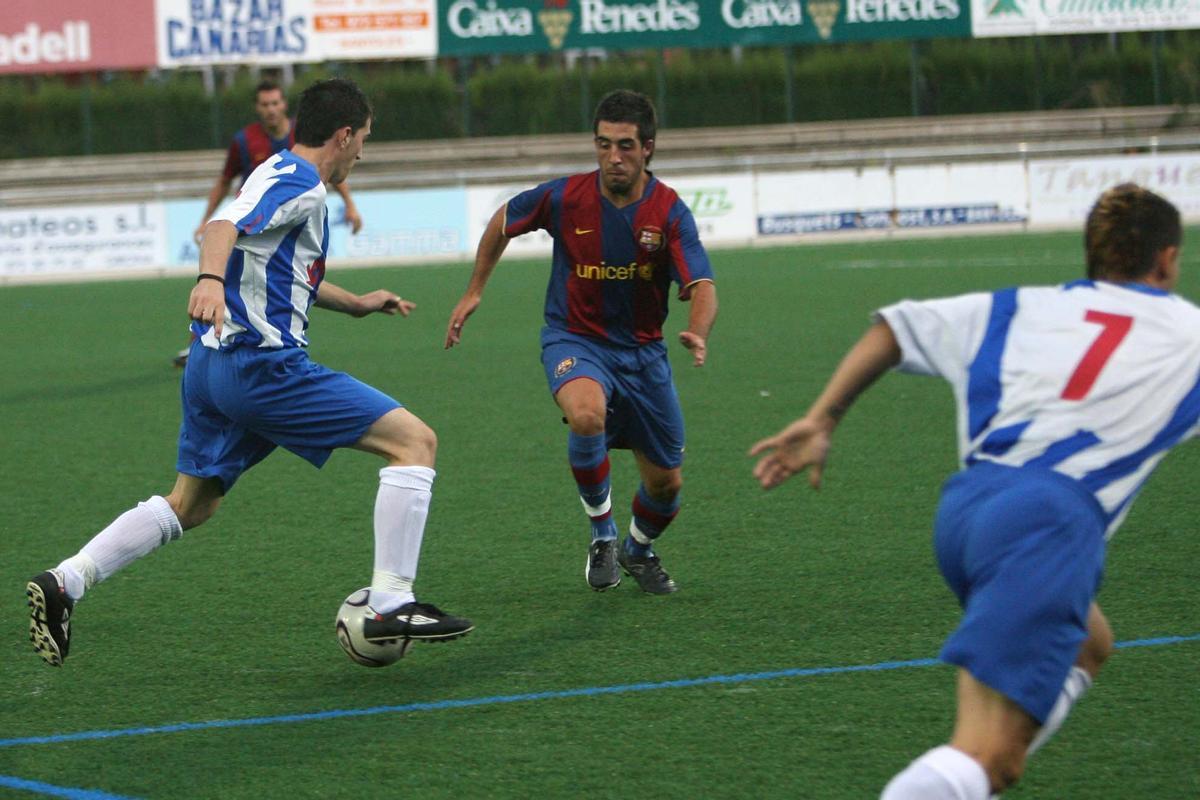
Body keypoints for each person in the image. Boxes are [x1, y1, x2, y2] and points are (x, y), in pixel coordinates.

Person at [749, 183, 1192, 798]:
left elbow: (894, 329)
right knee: (986, 755)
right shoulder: (1187, 332)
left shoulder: (1018, 306)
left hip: (967, 512)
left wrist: (823, 418)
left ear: (1092, 253)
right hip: (1048, 520)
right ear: (1167, 259)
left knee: (1091, 642)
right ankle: (981, 770)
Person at [27, 77, 473, 668]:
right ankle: (391, 599)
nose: (362, 152)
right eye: (363, 139)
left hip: (212, 366)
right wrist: (208, 280)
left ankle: (66, 582)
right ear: (343, 136)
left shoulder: (276, 168)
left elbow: (283, 271)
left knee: (192, 503)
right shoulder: (304, 185)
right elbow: (220, 230)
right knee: (415, 442)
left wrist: (358, 302)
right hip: (265, 369)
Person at [445, 89, 718, 595]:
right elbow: (504, 219)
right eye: (603, 144)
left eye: (626, 146)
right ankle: (603, 534)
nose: (613, 157)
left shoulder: (670, 212)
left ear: (648, 149)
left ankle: (637, 550)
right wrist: (474, 291)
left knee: (667, 487)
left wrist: (697, 332)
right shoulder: (566, 196)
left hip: (644, 354)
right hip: (574, 338)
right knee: (587, 412)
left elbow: (702, 285)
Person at [175, 78, 363, 367]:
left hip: (266, 223)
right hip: (250, 221)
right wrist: (207, 236)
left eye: (276, 103)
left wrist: (350, 205)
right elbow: (224, 192)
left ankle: (207, 345)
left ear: (284, 106)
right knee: (231, 274)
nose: (271, 110)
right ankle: (203, 340)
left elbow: (330, 174)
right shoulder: (249, 143)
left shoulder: (306, 144)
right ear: (257, 108)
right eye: (265, 104)